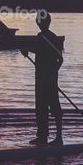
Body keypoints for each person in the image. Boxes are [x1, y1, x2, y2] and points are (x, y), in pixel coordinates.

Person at [21, 10, 63, 146]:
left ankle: (58, 137)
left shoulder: (52, 37)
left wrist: (53, 73)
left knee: (54, 106)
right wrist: (26, 50)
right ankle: (42, 136)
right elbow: (38, 49)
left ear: (47, 23)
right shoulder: (40, 37)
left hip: (49, 78)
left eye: (42, 22)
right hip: (39, 78)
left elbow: (60, 59)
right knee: (40, 107)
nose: (40, 24)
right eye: (39, 22)